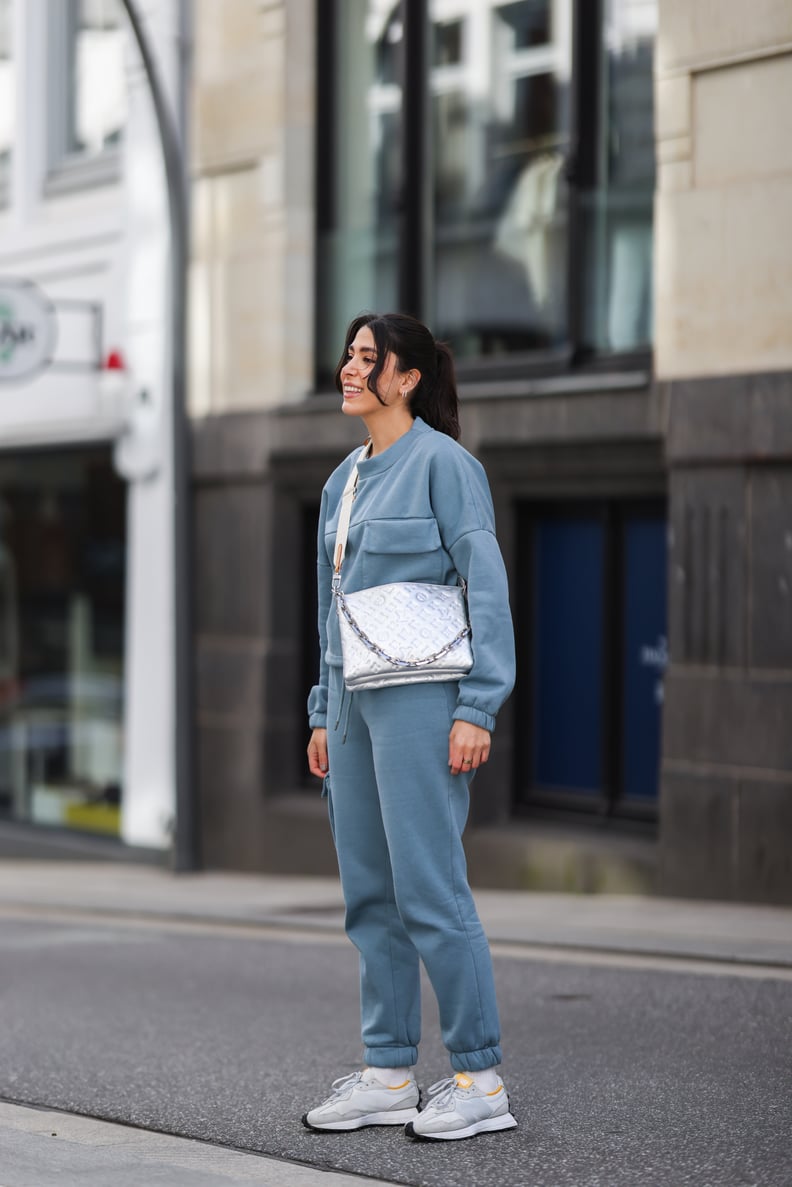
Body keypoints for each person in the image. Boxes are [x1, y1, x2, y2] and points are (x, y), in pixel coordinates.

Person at [304, 312, 517, 1142]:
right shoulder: (341, 482)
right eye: (349, 356)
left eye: (367, 358)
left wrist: (478, 706)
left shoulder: (446, 466)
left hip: (426, 704)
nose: (349, 370)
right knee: (369, 896)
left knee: (431, 890)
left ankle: (480, 1077)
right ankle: (390, 1071)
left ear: (408, 377)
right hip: (354, 708)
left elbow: (486, 588)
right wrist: (324, 712)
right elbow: (333, 605)